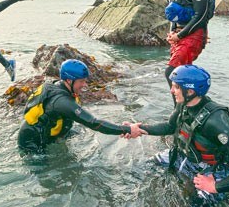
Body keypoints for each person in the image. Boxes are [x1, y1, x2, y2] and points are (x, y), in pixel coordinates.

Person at [125, 65, 229, 207]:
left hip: (211, 169)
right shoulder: (184, 104)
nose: (172, 91)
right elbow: (169, 127)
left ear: (190, 91)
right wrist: (139, 129)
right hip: (183, 156)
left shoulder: (216, 121)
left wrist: (215, 186)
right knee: (139, 168)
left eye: (176, 87)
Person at [17, 59, 146, 153]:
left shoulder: (62, 87)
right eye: (81, 81)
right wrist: (127, 130)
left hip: (49, 131)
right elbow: (94, 123)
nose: (85, 85)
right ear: (69, 80)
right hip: (32, 141)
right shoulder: (61, 102)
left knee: (77, 134)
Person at [163, 0, 215, 99]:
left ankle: (179, 112)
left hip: (193, 34)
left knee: (172, 73)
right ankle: (188, 108)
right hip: (180, 34)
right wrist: (173, 32)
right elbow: (173, 12)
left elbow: (201, 15)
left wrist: (180, 35)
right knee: (182, 77)